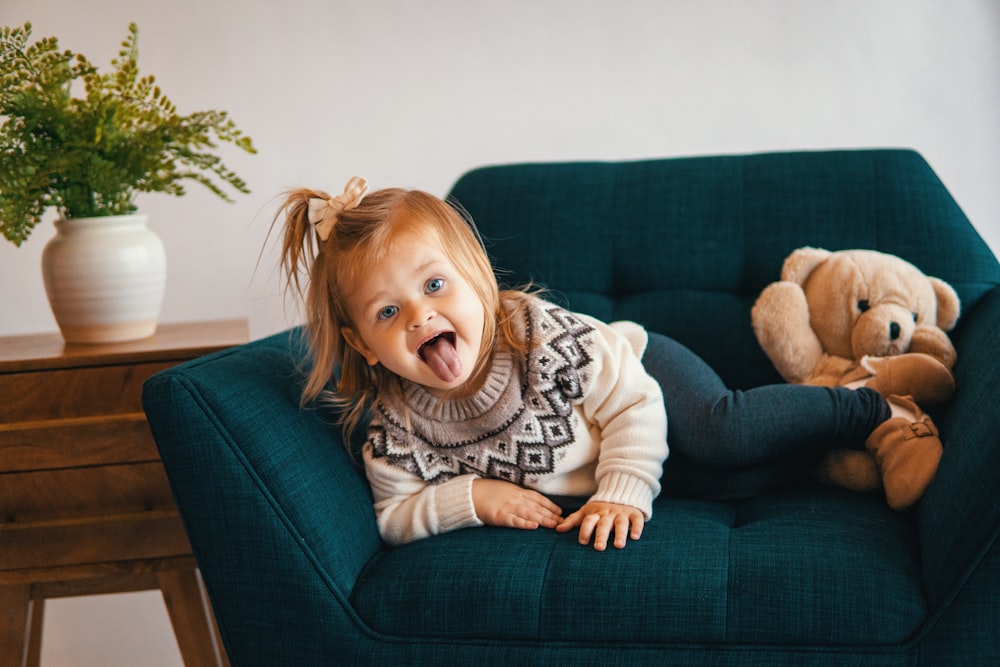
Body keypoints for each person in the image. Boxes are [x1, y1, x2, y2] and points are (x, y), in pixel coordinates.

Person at [274, 177, 891, 551]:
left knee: (724, 433)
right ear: (362, 346)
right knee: (736, 481)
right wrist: (475, 497)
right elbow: (394, 515)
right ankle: (826, 450)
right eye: (386, 312)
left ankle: (870, 403)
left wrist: (622, 493)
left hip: (641, 377)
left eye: (435, 285)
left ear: (478, 280)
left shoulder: (544, 343)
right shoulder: (397, 433)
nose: (417, 315)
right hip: (610, 450)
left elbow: (633, 405)